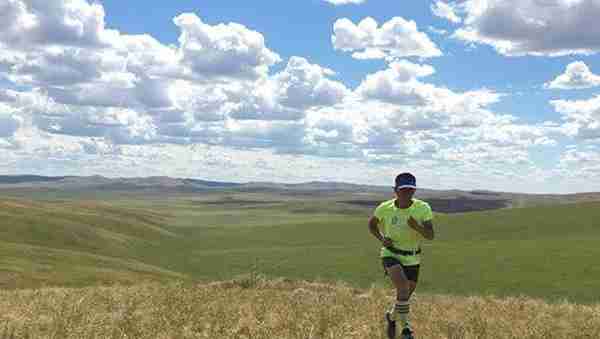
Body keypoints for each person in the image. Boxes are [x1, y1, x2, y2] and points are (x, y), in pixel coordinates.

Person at [368, 172, 435, 339]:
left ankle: (391, 316)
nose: (407, 193)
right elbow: (371, 225)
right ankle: (406, 330)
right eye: (403, 190)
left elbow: (430, 235)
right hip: (390, 254)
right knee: (403, 287)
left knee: (404, 295)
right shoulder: (384, 208)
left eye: (410, 190)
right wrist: (382, 239)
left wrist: (417, 227)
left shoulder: (423, 208)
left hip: (413, 256)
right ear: (395, 190)